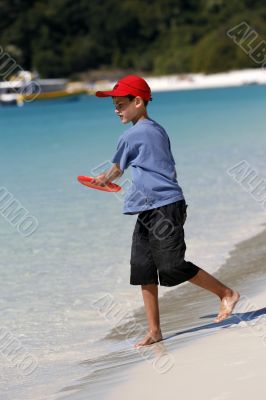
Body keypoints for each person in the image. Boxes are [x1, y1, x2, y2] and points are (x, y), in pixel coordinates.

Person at [92, 75, 240, 349]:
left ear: (138, 102)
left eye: (121, 104)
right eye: (114, 105)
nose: (116, 110)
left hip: (164, 206)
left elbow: (116, 169)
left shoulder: (133, 135)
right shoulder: (156, 128)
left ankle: (226, 293)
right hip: (149, 209)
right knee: (143, 268)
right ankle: (155, 331)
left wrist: (102, 179)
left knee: (171, 266)